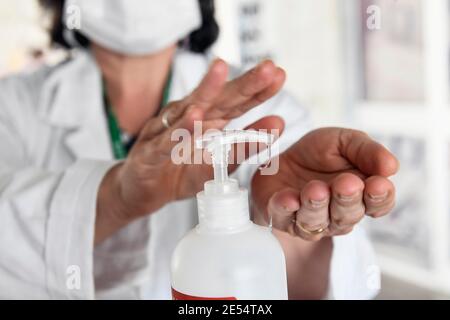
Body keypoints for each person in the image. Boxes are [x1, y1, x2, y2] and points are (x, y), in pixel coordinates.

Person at [0, 0, 398, 299]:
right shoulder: (12, 105)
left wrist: (281, 221)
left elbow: (322, 285)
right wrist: (118, 197)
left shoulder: (266, 105)